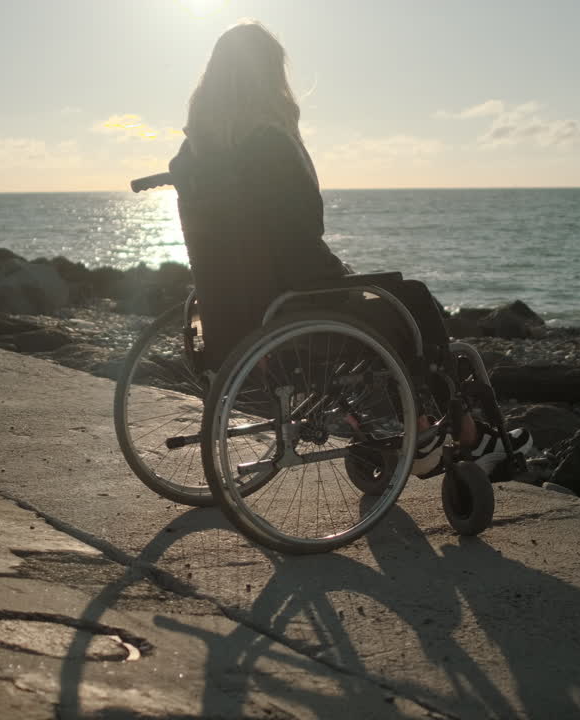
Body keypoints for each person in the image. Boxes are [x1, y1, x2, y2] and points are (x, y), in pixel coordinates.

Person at [168, 20, 529, 477]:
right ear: (269, 78)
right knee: (411, 300)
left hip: (229, 315)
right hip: (286, 309)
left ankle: (401, 428)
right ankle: (456, 434)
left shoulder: (197, 153)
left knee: (385, 302)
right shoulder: (267, 146)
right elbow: (298, 240)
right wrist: (340, 274)